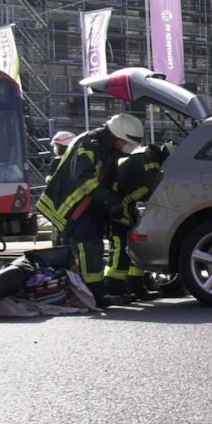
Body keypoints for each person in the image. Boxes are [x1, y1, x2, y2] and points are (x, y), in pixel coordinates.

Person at [36, 113, 144, 308]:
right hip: (71, 206)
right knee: (89, 247)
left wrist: (113, 203)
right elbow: (83, 178)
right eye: (126, 143)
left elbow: (108, 180)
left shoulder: (108, 148)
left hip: (86, 206)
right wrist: (106, 199)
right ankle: (94, 295)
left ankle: (93, 291)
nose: (126, 148)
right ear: (116, 137)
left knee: (91, 246)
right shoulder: (89, 144)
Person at [104, 142, 170, 302]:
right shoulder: (150, 162)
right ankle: (114, 289)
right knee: (120, 246)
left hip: (125, 204)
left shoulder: (146, 157)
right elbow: (157, 188)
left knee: (132, 245)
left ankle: (134, 287)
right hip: (117, 205)